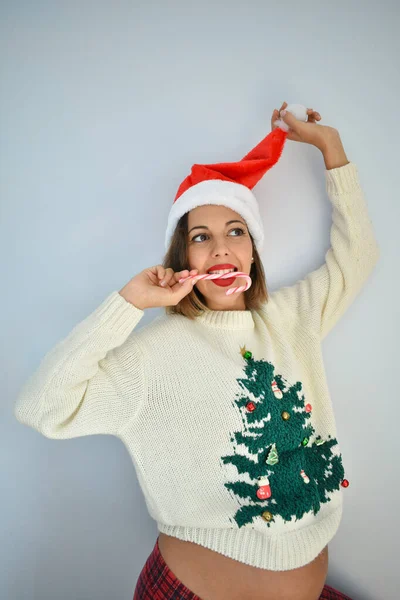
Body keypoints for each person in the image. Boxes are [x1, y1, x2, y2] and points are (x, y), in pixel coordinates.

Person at [14, 102, 378, 600]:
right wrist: (129, 303)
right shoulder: (154, 353)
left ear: (252, 251)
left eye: (235, 232)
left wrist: (330, 147)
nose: (221, 248)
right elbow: (42, 409)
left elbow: (357, 256)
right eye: (201, 238)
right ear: (183, 259)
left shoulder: (292, 317)